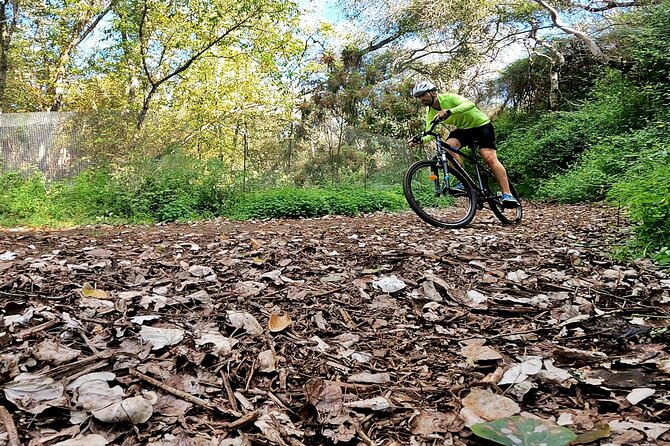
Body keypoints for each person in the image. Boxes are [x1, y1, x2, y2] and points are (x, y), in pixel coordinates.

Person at [408, 81, 519, 207]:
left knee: (488, 156)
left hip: (481, 125)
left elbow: (469, 104)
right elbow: (429, 132)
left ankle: (507, 194)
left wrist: (449, 111)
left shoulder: (448, 97)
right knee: (448, 147)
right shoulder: (430, 113)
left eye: (423, 95)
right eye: (419, 97)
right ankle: (464, 183)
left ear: (433, 93)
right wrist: (419, 140)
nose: (421, 99)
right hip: (464, 130)